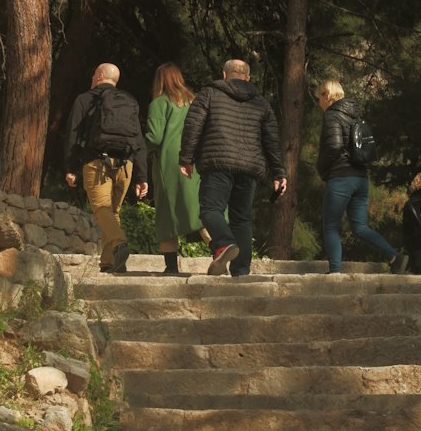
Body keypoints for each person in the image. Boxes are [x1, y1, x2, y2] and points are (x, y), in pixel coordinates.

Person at [179, 58, 287, 277]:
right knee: (242, 218)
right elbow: (271, 140)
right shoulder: (262, 103)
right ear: (248, 77)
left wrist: (186, 158)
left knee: (210, 209)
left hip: (217, 162)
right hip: (249, 167)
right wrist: (279, 172)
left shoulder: (209, 94)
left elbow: (193, 126)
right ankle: (241, 270)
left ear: (224, 74)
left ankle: (225, 243)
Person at [316, 79, 407, 275]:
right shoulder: (356, 116)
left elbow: (333, 147)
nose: (319, 103)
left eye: (319, 98)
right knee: (360, 227)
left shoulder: (332, 115)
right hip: (361, 178)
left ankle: (335, 271)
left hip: (341, 177)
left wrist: (321, 168)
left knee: (331, 226)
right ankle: (394, 256)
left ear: (326, 95)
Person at [64, 63, 148, 273]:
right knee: (113, 212)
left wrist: (70, 167)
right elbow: (138, 139)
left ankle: (119, 243)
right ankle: (109, 262)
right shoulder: (129, 101)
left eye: (94, 74)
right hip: (125, 164)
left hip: (96, 163)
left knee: (101, 209)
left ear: (100, 76)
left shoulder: (85, 99)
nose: (92, 77)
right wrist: (142, 176)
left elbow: (72, 135)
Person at [145, 63, 208, 275]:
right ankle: (220, 248)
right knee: (199, 208)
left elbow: (154, 137)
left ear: (159, 80)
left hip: (169, 162)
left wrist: (138, 149)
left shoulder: (159, 103)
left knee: (167, 213)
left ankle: (171, 267)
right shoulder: (195, 101)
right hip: (195, 160)